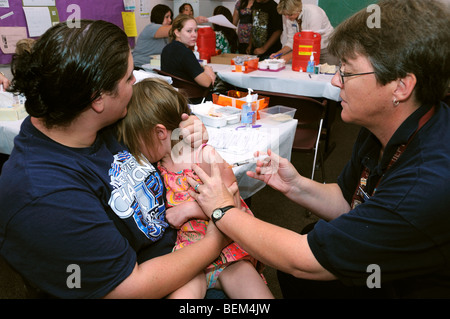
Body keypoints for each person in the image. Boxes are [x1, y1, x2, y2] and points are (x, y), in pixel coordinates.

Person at [187, 0, 450, 299]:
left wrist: (223, 211)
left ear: (401, 87)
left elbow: (305, 260)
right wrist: (297, 186)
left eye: (347, 72)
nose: (336, 80)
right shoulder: (384, 125)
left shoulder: (426, 179)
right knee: (308, 237)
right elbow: (348, 199)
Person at [0, 19, 229, 299]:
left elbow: (164, 150)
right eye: (129, 77)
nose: (135, 83)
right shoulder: (44, 194)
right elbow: (128, 288)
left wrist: (187, 131)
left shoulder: (95, 122)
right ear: (97, 98)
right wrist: (218, 237)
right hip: (161, 277)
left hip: (181, 250)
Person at [117, 77, 273, 299]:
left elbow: (234, 204)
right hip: (188, 258)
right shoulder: (157, 167)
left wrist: (189, 209)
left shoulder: (204, 156)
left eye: (136, 140)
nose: (134, 147)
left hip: (228, 253)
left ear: (160, 133)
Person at [161, 15, 216, 98]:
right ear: (177, 32)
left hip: (173, 97)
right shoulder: (185, 53)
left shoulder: (167, 49)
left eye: (195, 30)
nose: (194, 35)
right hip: (194, 98)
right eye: (189, 31)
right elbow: (207, 83)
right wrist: (208, 70)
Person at [270, 0, 338, 65]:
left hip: (326, 49)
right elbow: (291, 41)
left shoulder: (314, 14)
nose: (287, 17)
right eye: (285, 15)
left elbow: (311, 43)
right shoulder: (290, 18)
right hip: (304, 49)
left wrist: (289, 56)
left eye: (290, 14)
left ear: (298, 9)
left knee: (328, 73)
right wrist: (279, 53)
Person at [132, 4, 173, 69]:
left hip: (153, 67)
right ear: (159, 16)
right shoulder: (151, 28)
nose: (170, 20)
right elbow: (175, 29)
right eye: (167, 17)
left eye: (170, 17)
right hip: (139, 67)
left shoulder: (165, 34)